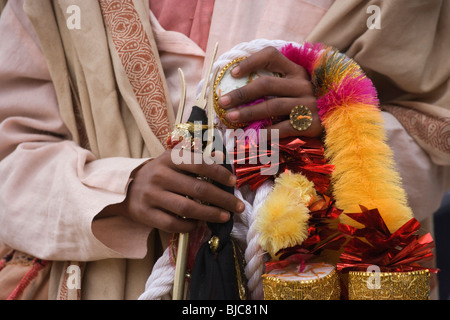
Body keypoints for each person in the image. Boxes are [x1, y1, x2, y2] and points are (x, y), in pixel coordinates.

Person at [0, 0, 449, 299]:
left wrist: (338, 119)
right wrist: (121, 189)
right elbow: (10, 157)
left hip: (310, 272)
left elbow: (433, 145)